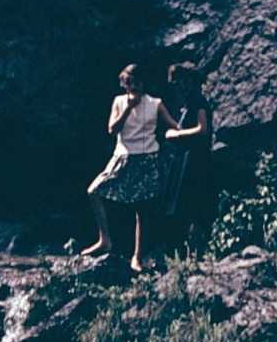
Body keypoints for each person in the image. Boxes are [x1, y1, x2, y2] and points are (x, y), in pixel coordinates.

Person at [84, 64, 179, 272]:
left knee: (142, 209)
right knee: (94, 191)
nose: (133, 87)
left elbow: (174, 125)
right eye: (129, 83)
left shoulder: (155, 104)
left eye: (136, 83)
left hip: (146, 158)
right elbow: (112, 129)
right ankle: (105, 239)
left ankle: (137, 256)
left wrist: (189, 131)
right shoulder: (119, 101)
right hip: (123, 156)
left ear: (143, 83)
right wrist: (128, 107)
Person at [160, 63, 215, 248]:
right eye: (179, 84)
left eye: (185, 83)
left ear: (193, 83)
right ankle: (186, 254)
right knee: (183, 207)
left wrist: (176, 134)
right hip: (185, 160)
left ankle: (195, 253)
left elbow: (203, 129)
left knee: (192, 206)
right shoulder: (188, 106)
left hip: (195, 161)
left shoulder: (198, 102)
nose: (182, 88)